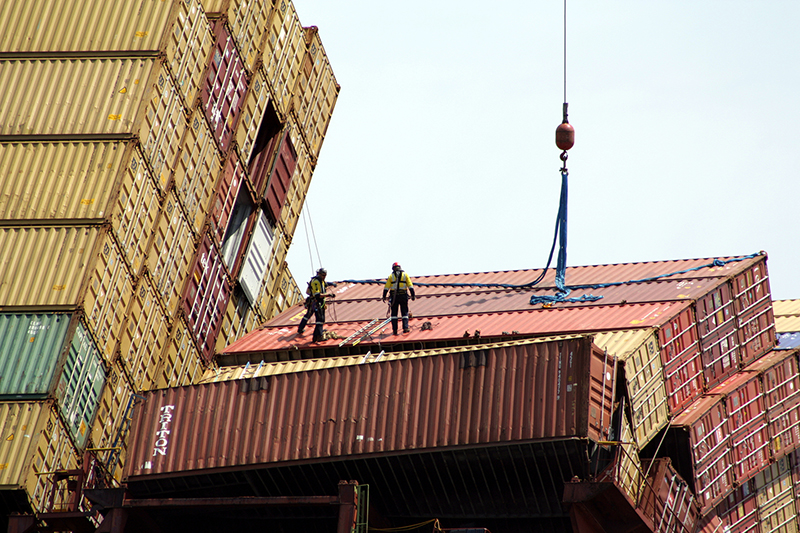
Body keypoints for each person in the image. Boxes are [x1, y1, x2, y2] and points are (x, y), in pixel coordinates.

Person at [298, 268, 336, 342]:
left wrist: (332, 284)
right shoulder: (315, 282)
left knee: (312, 316)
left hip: (319, 303)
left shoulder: (321, 281)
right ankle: (318, 336)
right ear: (318, 274)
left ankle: (316, 334)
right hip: (316, 302)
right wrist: (328, 295)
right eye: (323, 275)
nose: (324, 277)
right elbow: (317, 295)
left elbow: (325, 283)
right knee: (319, 319)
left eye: (325, 275)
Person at [382, 262, 416, 335]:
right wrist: (413, 295)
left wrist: (384, 296)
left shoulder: (391, 276)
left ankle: (395, 330)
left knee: (394, 314)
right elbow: (410, 285)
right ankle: (405, 328)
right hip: (403, 296)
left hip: (394, 297)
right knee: (404, 312)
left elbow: (386, 287)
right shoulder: (405, 275)